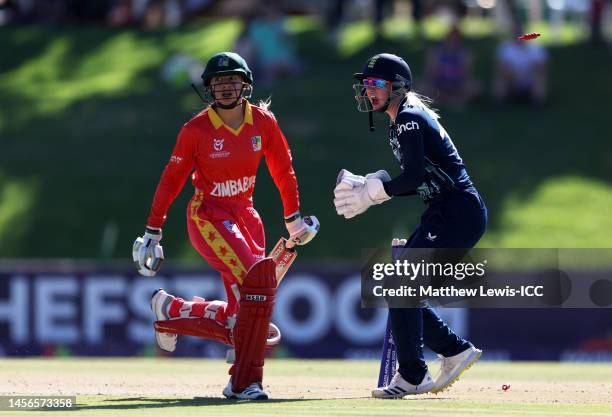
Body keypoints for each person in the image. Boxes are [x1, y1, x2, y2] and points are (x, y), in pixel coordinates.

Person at [132, 52, 319, 400]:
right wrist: (152, 230)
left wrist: (293, 218)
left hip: (246, 215)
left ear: (246, 84)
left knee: (241, 314)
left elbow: (283, 171)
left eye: (233, 80)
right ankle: (242, 383)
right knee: (255, 283)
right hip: (209, 214)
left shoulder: (263, 122)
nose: (226, 87)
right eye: (219, 82)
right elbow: (171, 180)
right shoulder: (195, 130)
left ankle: (171, 310)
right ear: (208, 89)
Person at [333, 53, 487, 398]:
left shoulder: (409, 118)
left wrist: (373, 193)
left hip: (456, 210)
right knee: (400, 287)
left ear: (398, 86)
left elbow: (415, 176)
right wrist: (376, 187)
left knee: (401, 286)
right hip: (447, 210)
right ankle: (452, 351)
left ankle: (415, 374)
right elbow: (418, 180)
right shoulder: (402, 119)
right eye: (367, 85)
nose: (369, 91)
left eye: (377, 84)